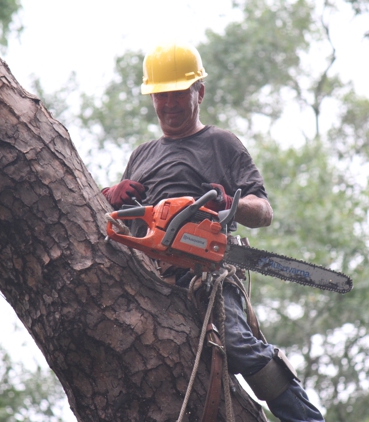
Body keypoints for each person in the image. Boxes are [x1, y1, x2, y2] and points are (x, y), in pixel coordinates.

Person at [102, 41, 325, 422]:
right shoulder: (142, 154)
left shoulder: (220, 144)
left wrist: (230, 205)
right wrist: (110, 195)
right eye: (161, 96)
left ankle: (306, 418)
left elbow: (263, 211)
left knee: (238, 346)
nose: (168, 104)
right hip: (149, 279)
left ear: (198, 92)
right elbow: (118, 223)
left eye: (177, 94)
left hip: (206, 275)